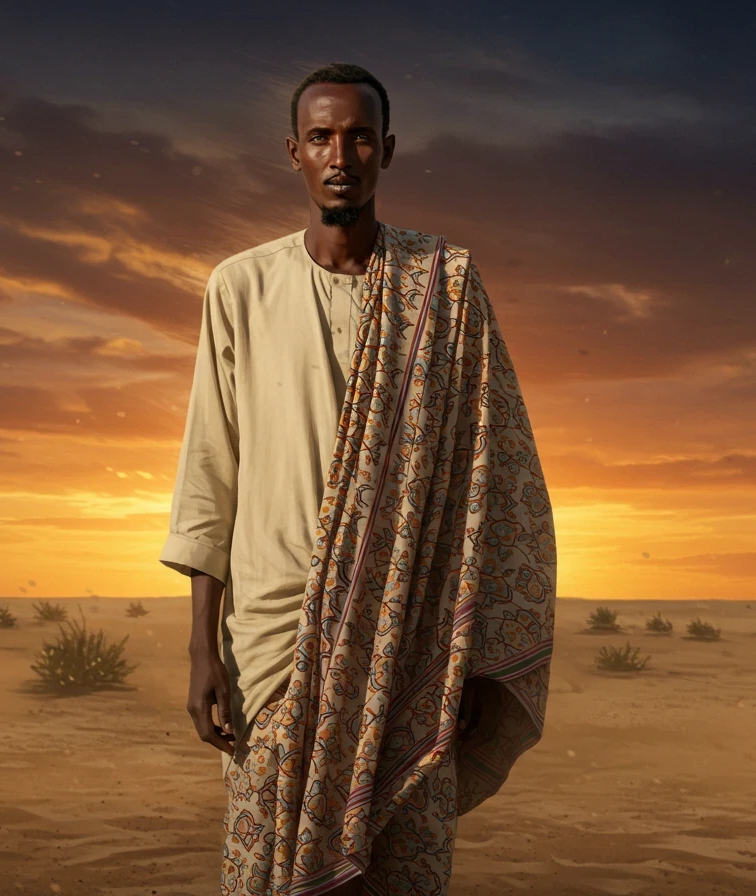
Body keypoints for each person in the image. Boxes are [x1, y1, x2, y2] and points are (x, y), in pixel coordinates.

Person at [160, 61, 556, 895]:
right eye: (321, 137)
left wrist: (468, 653)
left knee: (398, 865)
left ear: (388, 150)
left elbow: (494, 474)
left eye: (360, 137)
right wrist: (202, 645)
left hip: (408, 641)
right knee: (271, 869)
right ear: (294, 153)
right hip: (274, 640)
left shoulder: (443, 286)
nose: (340, 156)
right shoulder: (241, 286)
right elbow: (210, 470)